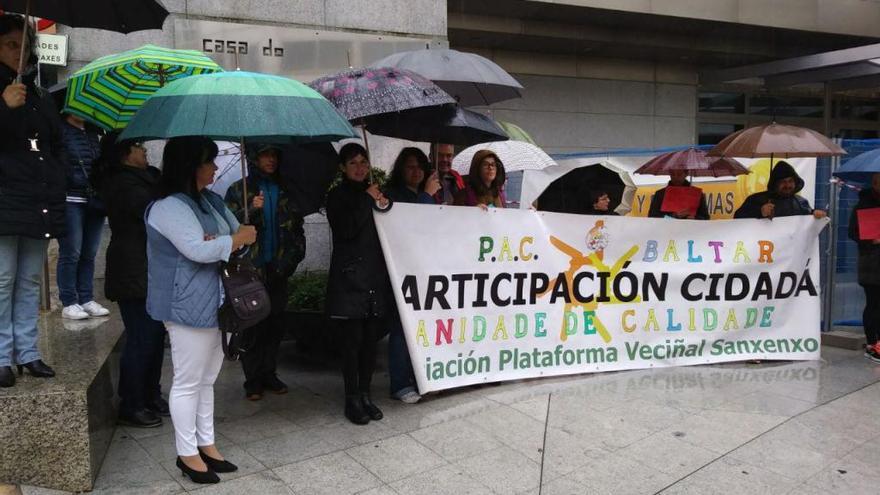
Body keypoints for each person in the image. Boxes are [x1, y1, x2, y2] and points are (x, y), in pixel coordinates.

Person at [146, 136, 256, 483]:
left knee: (208, 378)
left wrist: (227, 241)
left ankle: (207, 444)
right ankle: (186, 452)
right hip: (186, 304)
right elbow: (197, 248)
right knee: (188, 381)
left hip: (219, 300)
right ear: (190, 165)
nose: (214, 168)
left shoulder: (209, 200)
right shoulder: (167, 207)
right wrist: (228, 241)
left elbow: (241, 233)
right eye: (209, 161)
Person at [0, 14, 62, 387]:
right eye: (10, 44)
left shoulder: (37, 93)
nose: (20, 52)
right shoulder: (8, 94)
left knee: (27, 282)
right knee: (2, 279)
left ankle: (28, 352)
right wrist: (3, 107)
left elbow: (53, 148)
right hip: (4, 200)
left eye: (26, 45)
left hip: (37, 200)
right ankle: (1, 356)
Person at [224, 144, 306, 401]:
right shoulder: (239, 190)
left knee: (275, 323)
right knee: (252, 323)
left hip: (279, 267)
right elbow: (229, 228)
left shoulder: (285, 188)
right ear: (253, 158)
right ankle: (253, 379)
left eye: (274, 155)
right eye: (265, 155)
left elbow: (296, 227)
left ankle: (270, 372)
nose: (271, 160)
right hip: (252, 270)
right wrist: (250, 210)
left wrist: (294, 257)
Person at [101, 134, 167, 428]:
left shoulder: (146, 178)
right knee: (141, 338)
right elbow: (152, 213)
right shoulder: (122, 184)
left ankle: (151, 393)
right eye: (139, 147)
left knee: (154, 337)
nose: (144, 151)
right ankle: (132, 402)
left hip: (149, 267)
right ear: (126, 154)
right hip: (132, 267)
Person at [326, 143, 392, 424]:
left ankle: (366, 394)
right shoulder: (336, 197)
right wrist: (366, 200)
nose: (360, 167)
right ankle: (351, 398)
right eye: (353, 163)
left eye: (363, 161)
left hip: (375, 278)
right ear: (343, 167)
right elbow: (347, 229)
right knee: (351, 343)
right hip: (350, 279)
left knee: (369, 342)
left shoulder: (375, 192)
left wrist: (383, 204)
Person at [382, 148, 440, 404]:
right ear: (400, 170)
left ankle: (420, 378)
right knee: (401, 328)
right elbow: (411, 225)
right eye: (410, 167)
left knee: (421, 327)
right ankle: (399, 383)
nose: (416, 172)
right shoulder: (393, 195)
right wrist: (427, 196)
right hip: (402, 270)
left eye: (420, 167)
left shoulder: (428, 194)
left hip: (425, 268)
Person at [56, 110, 111, 320]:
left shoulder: (92, 133)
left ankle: (86, 298)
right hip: (71, 199)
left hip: (94, 200)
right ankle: (69, 301)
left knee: (89, 252)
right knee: (71, 252)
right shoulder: (61, 132)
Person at [847, 172, 880, 363]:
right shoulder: (863, 205)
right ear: (873, 184)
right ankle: (872, 342)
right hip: (871, 262)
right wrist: (871, 240)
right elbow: (853, 232)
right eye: (877, 182)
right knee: (873, 303)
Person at [734, 161, 827, 220]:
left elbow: (808, 215)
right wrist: (759, 212)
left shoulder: (800, 202)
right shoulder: (756, 199)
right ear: (775, 183)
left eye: (790, 181)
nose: (787, 185)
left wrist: (814, 213)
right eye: (783, 182)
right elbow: (738, 217)